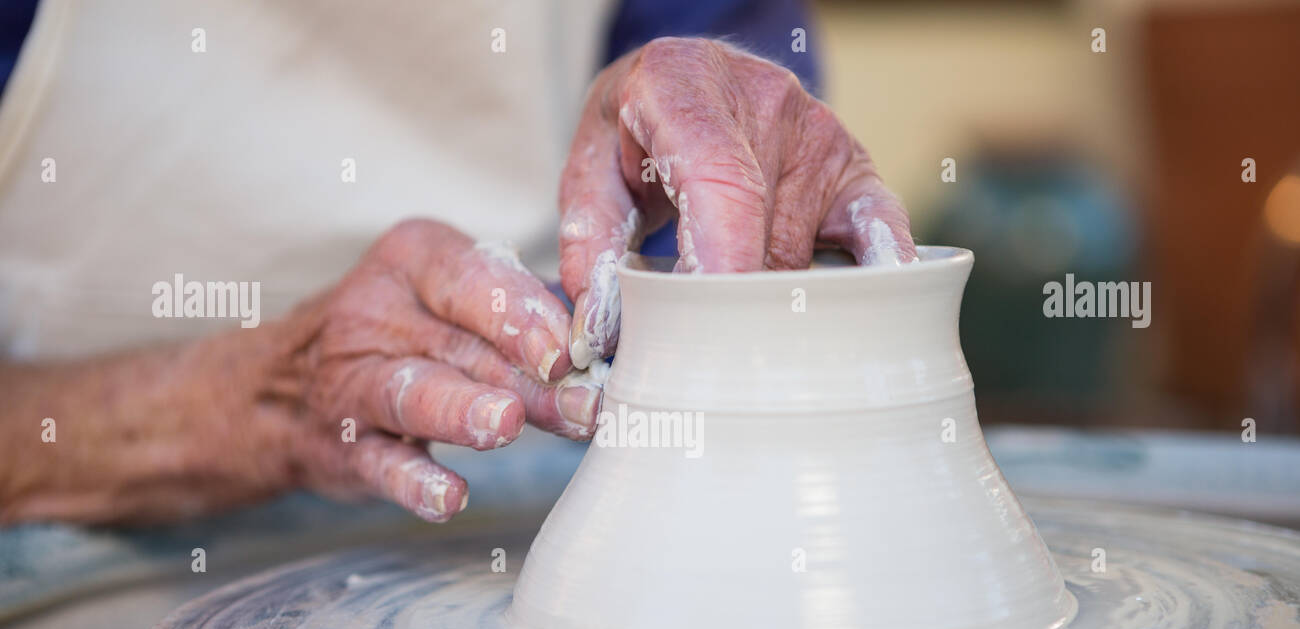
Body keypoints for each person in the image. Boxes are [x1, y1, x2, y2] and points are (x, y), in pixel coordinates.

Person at [0, 0, 914, 525]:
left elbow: (730, 274)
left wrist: (704, 110)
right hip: (96, 523)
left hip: (530, 474)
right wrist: (277, 393)